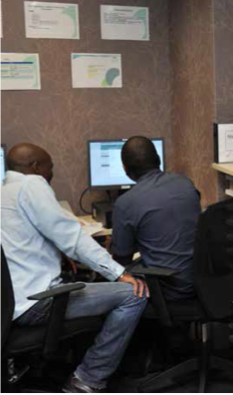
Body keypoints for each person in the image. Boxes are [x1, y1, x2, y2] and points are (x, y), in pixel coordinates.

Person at [1, 143, 149, 393]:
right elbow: (73, 238)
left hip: (11, 305)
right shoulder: (32, 185)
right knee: (134, 294)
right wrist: (119, 273)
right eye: (51, 166)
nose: (51, 173)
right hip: (38, 302)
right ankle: (88, 379)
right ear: (36, 167)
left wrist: (57, 251)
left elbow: (22, 240)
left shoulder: (5, 192)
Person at [110, 136, 201, 301]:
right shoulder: (185, 183)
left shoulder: (125, 203)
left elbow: (121, 259)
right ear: (158, 159)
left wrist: (111, 244)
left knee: (107, 276)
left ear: (125, 168)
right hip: (201, 281)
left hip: (170, 288)